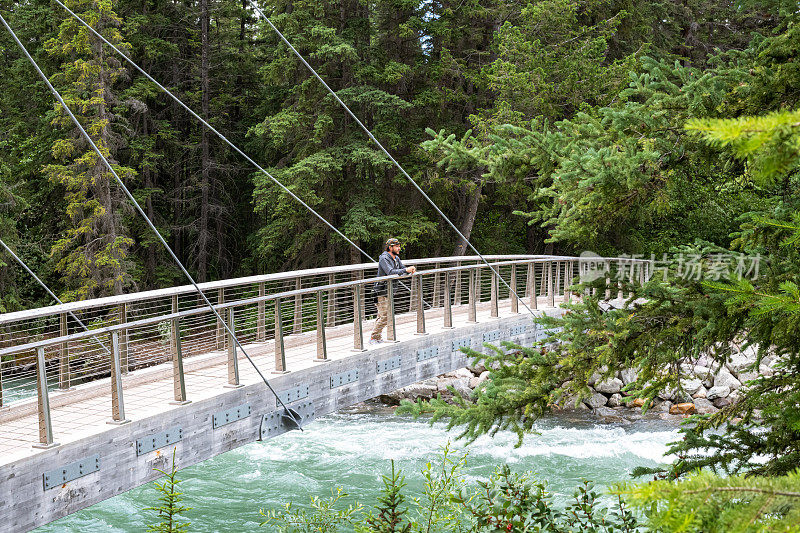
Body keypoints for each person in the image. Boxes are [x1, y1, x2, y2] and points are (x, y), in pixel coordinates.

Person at [370, 238, 416, 344]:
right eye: (396, 246)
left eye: (399, 246)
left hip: (389, 291)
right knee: (386, 316)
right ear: (390, 247)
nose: (399, 248)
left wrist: (409, 270)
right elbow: (390, 272)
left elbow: (402, 269)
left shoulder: (396, 258)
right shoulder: (384, 258)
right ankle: (374, 337)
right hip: (381, 291)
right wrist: (405, 270)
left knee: (382, 315)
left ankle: (376, 337)